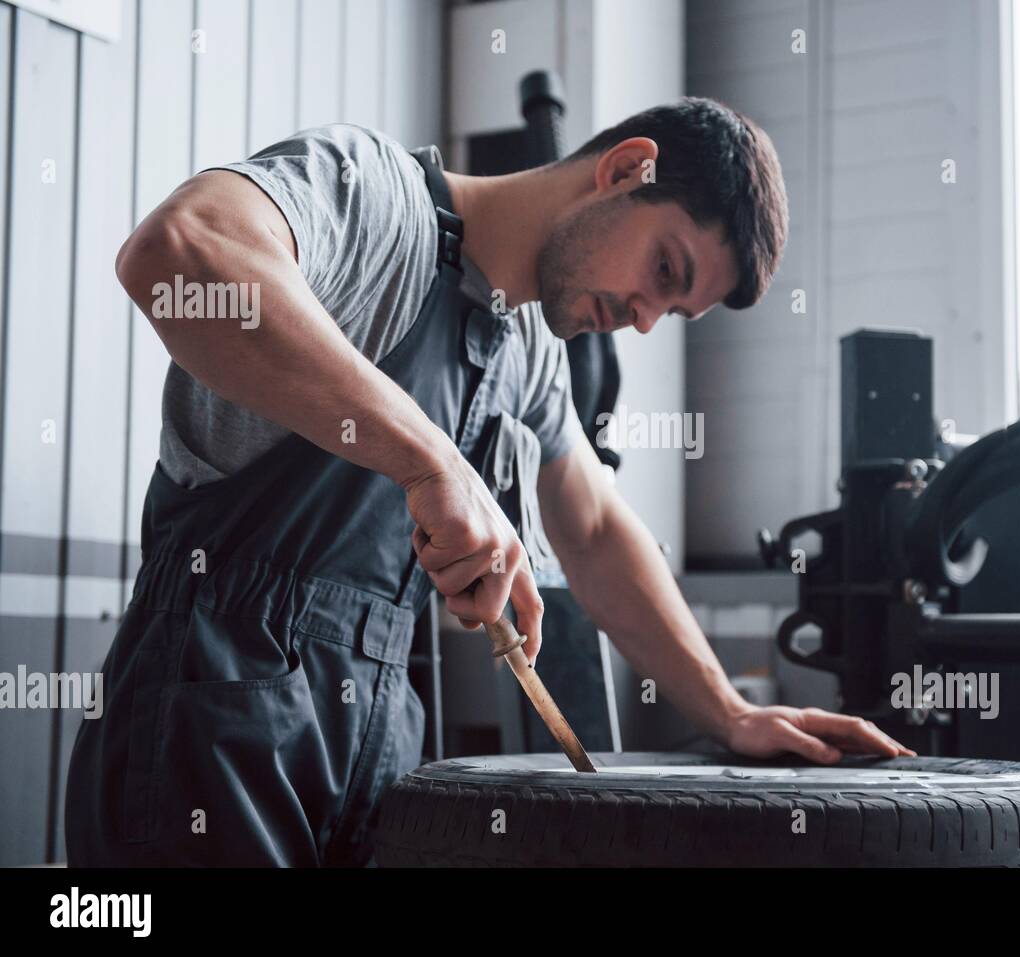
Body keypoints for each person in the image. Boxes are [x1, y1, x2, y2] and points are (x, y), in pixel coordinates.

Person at [66, 98, 913, 867]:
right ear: (625, 170)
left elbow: (591, 527)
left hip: (369, 759)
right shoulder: (374, 196)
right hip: (199, 739)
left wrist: (727, 712)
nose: (646, 318)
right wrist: (431, 458)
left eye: (673, 314)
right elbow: (177, 252)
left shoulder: (527, 351)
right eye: (664, 271)